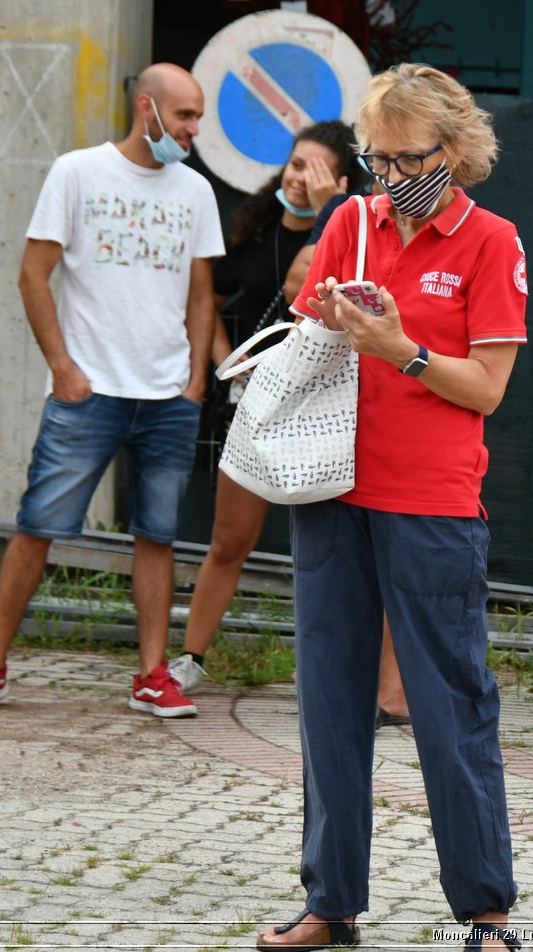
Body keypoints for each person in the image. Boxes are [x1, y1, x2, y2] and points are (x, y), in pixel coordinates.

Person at [256, 64, 526, 952]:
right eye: (375, 158)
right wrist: (333, 321)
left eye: (408, 158)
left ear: (454, 152)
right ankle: (330, 902)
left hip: (431, 500)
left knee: (450, 707)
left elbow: (486, 389)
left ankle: (485, 912)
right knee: (328, 700)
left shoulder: (492, 242)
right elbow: (307, 340)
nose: (390, 176)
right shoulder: (350, 223)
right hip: (331, 485)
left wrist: (401, 349)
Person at [0, 63, 223, 718]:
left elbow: (201, 290)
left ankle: (153, 674)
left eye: (198, 118)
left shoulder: (196, 191)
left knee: (157, 535)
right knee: (37, 525)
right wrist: (64, 367)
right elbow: (32, 274)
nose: (192, 130)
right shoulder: (77, 172)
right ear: (147, 107)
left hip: (166, 396)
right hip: (88, 391)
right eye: (184, 116)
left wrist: (194, 381)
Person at [167, 122, 360, 694]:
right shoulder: (256, 231)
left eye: (316, 169)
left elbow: (308, 278)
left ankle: (336, 670)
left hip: (324, 409)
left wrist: (334, 213)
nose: (301, 178)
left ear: (343, 180)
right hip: (258, 406)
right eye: (296, 165)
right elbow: (205, 296)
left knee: (334, 548)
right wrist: (231, 362)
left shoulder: (353, 230)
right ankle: (190, 659)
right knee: (230, 540)